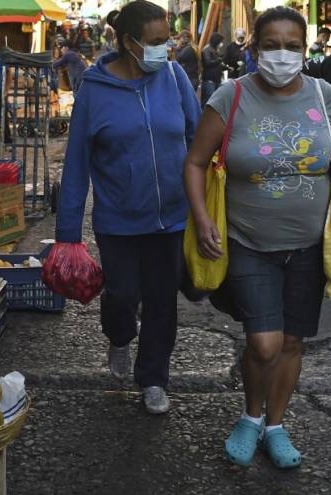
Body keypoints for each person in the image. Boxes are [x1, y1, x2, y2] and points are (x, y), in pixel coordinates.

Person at [183, 6, 331, 468]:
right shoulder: (230, 96)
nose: (282, 55)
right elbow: (195, 162)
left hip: (310, 244)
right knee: (264, 343)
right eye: (271, 45)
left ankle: (275, 425)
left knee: (293, 343)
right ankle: (250, 415)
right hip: (247, 242)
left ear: (305, 49)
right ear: (255, 48)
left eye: (292, 46)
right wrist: (203, 219)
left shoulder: (324, 96)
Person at [55, 1, 200, 414]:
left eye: (167, 40)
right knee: (120, 296)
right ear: (128, 42)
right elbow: (77, 163)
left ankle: (153, 378)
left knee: (161, 301)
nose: (165, 49)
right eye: (156, 42)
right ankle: (118, 337)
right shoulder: (94, 91)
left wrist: (206, 202)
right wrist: (67, 234)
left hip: (171, 217)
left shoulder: (173, 77)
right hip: (118, 219)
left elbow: (196, 137)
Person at [201, 32, 225, 104]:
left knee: (216, 100)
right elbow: (207, 63)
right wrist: (218, 60)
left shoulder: (214, 49)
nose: (221, 43)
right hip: (209, 79)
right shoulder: (207, 49)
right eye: (220, 41)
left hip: (216, 79)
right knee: (208, 99)